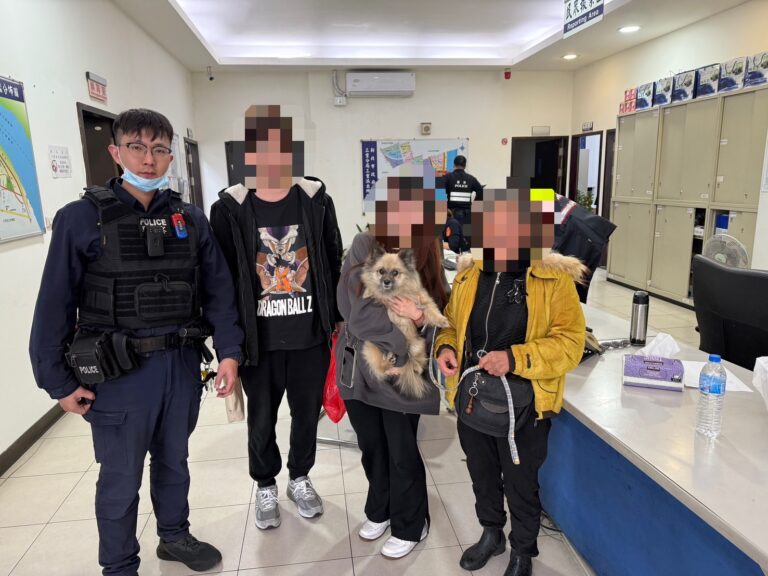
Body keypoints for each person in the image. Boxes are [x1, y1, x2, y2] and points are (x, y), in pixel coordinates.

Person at [29, 109, 243, 576]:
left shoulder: (189, 218)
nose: (149, 160)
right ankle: (120, 565)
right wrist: (58, 383)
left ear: (170, 156)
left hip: (180, 366)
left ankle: (174, 536)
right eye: (137, 148)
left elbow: (219, 291)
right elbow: (54, 305)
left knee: (174, 461)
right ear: (116, 151)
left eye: (159, 149)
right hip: (118, 374)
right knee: (121, 477)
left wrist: (229, 353)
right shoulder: (80, 219)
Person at [435, 188, 586, 576]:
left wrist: (515, 358)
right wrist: (446, 347)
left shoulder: (553, 279)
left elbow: (571, 343)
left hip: (525, 404)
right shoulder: (470, 274)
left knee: (521, 483)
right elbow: (450, 323)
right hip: (473, 397)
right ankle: (492, 533)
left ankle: (522, 550)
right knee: (482, 475)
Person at [209, 105, 343, 530]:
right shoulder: (229, 208)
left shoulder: (315, 200)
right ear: (249, 153)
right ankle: (265, 484)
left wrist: (338, 320)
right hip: (258, 341)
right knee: (262, 419)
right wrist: (227, 346)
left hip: (309, 337)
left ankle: (299, 478)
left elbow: (333, 261)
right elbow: (221, 279)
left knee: (306, 416)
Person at [336, 176, 446, 559]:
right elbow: (354, 313)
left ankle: (411, 522)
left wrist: (419, 318)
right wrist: (405, 329)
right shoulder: (365, 244)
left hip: (403, 374)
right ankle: (379, 508)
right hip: (362, 368)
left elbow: (438, 310)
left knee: (401, 450)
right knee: (371, 446)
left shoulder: (427, 250)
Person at [443, 154, 483, 232]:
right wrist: (475, 205)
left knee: (453, 235)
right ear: (465, 165)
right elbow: (481, 191)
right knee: (466, 236)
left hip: (452, 213)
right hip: (467, 214)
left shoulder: (448, 177)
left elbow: (437, 191)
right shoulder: (471, 179)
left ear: (454, 165)